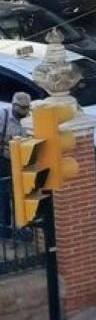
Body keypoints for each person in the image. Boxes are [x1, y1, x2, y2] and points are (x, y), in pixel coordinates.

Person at [0, 92, 30, 234]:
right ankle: (5, 226)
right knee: (4, 193)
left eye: (27, 107)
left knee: (21, 194)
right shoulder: (3, 116)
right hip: (4, 160)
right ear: (14, 105)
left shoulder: (29, 118)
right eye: (22, 108)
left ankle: (23, 227)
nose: (25, 111)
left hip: (22, 161)